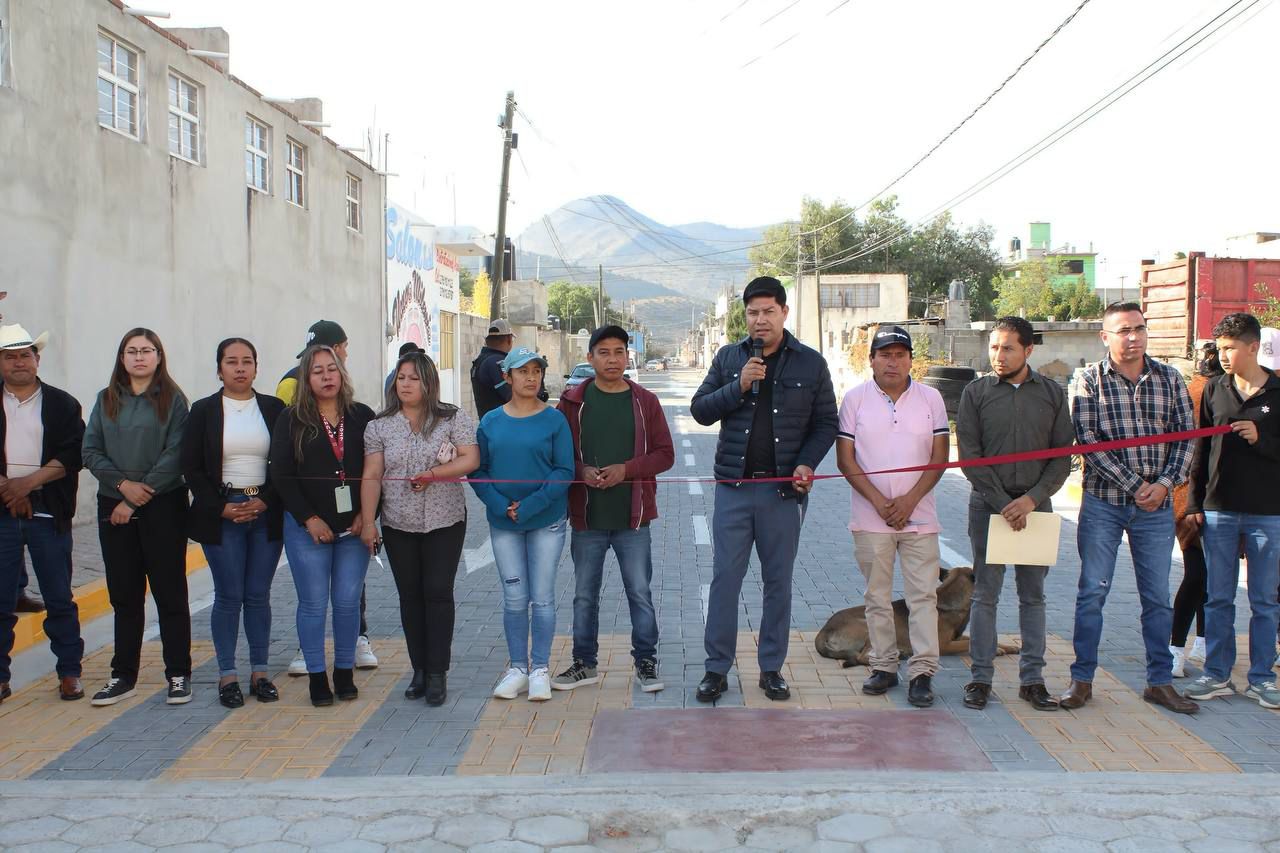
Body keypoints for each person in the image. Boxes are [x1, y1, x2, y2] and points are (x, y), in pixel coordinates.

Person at [691, 276, 837, 703]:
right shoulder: (729, 358)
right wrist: (737, 385)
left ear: (784, 313)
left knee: (778, 583)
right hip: (734, 490)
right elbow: (700, 410)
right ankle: (716, 669)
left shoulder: (811, 363)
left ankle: (771, 669)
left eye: (768, 311)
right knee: (725, 579)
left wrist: (807, 462)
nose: (760, 320)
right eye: (753, 313)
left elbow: (826, 422)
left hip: (782, 494)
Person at [1062, 302, 1198, 714]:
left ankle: (1159, 682)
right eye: (1123, 330)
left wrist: (1164, 484)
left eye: (1139, 328)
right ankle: (1081, 680)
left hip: (1155, 508)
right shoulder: (1088, 380)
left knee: (1157, 598)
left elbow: (1186, 438)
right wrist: (1137, 485)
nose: (1133, 337)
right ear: (1105, 337)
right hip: (1104, 504)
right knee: (1092, 593)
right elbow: (1088, 442)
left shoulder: (1169, 378)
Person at [956, 317, 1073, 712]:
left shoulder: (1052, 393)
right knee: (985, 595)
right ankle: (980, 679)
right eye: (994, 347)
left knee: (1033, 596)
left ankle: (1033, 680)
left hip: (1036, 508)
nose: (999, 356)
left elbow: (1062, 457)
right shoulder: (975, 393)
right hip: (988, 507)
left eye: (1007, 348)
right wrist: (1003, 501)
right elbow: (970, 456)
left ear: (1028, 350)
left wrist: (1031, 500)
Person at [553, 326, 675, 693]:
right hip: (587, 518)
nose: (612, 359)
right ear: (589, 358)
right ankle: (584, 663)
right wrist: (581, 472)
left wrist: (627, 469)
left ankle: (646, 662)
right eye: (603, 352)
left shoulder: (645, 402)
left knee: (639, 591)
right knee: (584, 595)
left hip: (633, 519)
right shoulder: (571, 403)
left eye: (619, 351)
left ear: (628, 356)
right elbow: (557, 455)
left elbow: (665, 454)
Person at [836, 325, 949, 707]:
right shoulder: (854, 399)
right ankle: (883, 665)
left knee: (923, 597)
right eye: (885, 355)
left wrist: (909, 501)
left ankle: (922, 672)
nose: (893, 362)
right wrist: (880, 501)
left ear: (911, 360)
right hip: (871, 518)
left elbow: (939, 457)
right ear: (871, 360)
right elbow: (845, 459)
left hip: (920, 517)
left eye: (900, 355)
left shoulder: (931, 398)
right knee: (877, 597)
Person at [361, 350, 479, 707]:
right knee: (410, 596)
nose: (406, 384)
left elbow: (470, 459)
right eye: (401, 378)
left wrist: (433, 474)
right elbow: (372, 474)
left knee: (438, 591)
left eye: (414, 378)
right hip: (398, 522)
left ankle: (438, 671)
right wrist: (368, 522)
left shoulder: (452, 418)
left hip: (445, 519)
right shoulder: (379, 426)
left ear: (429, 382)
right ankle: (419, 670)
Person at [82, 328, 192, 706]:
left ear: (159, 356)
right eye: (132, 351)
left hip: (162, 505)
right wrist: (122, 486)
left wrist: (135, 498)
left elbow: (176, 454)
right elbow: (90, 450)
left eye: (147, 350)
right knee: (125, 595)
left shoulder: (174, 401)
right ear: (122, 357)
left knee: (170, 593)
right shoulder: (106, 399)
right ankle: (123, 675)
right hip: (113, 505)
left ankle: (178, 673)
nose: (140, 357)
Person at [181, 338, 286, 709]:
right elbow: (191, 467)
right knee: (229, 595)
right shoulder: (203, 410)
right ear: (219, 369)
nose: (240, 368)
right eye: (231, 361)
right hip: (222, 513)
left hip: (265, 511)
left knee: (257, 594)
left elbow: (286, 464)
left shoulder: (274, 409)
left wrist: (266, 500)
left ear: (256, 367)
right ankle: (227, 675)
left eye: (247, 361)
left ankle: (260, 672)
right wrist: (220, 507)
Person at [270, 345, 376, 707]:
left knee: (347, 602)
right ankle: (317, 676)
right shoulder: (291, 419)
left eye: (332, 369)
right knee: (313, 603)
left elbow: (377, 470)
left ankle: (344, 672)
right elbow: (281, 475)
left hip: (353, 529)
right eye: (318, 371)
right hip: (307, 531)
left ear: (342, 374)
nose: (327, 376)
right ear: (306, 378)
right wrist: (309, 518)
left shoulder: (361, 416)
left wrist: (367, 515)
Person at [1184, 313, 1280, 709]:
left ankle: (1262, 678)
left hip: (1267, 512)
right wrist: (1194, 503)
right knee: (1218, 598)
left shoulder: (1277, 391)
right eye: (1220, 348)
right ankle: (1217, 674)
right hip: (1218, 509)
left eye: (1230, 348)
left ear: (1253, 347)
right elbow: (1201, 450)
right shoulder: (1214, 389)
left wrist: (1261, 439)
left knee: (1265, 601)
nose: (1223, 355)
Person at [470, 347, 574, 702]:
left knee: (542, 598)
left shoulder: (554, 420)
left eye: (536, 371)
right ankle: (517, 668)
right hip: (505, 523)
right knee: (515, 598)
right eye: (523, 371)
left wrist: (530, 506)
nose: (531, 378)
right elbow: (478, 471)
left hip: (546, 521)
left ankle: (540, 668)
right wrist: (502, 506)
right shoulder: (490, 422)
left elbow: (564, 471)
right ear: (507, 377)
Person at [0, 325, 85, 703]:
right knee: (1, 601)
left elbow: (73, 453)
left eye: (25, 355)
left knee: (58, 597)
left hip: (49, 512)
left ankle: (69, 672)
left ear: (37, 359)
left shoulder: (62, 404)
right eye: (9, 356)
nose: (18, 362)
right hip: (2, 513)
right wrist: (10, 489)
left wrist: (28, 484)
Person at [1169, 341, 1221, 677]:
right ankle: (1176, 648)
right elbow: (1194, 452)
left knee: (1207, 577)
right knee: (1199, 575)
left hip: (1212, 498)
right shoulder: (1202, 393)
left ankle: (1201, 642)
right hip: (1193, 499)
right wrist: (1192, 503)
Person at [470, 319, 547, 419]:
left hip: (491, 422)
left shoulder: (480, 360)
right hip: (505, 423)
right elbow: (515, 398)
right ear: (509, 339)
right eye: (523, 371)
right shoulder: (497, 362)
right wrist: (540, 391)